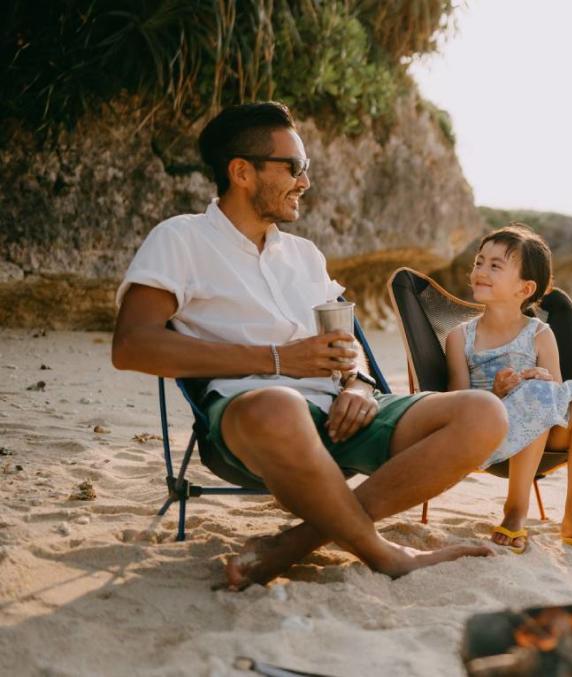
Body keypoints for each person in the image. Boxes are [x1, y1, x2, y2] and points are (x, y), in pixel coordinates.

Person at [111, 101, 507, 588]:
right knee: (278, 406)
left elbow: (345, 340)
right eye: (294, 167)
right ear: (242, 172)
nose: (306, 181)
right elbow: (131, 346)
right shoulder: (181, 239)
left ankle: (297, 543)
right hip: (253, 419)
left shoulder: (304, 255)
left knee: (484, 414)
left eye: (307, 168)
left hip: (340, 412)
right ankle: (382, 552)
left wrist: (359, 384)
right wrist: (278, 360)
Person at [445, 225, 572, 554]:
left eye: (495, 266)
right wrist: (495, 394)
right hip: (491, 429)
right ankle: (515, 511)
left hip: (547, 434)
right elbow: (455, 403)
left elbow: (557, 395)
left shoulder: (540, 334)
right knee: (535, 398)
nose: (480, 271)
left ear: (524, 288)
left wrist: (542, 378)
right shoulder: (461, 337)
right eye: (479, 262)